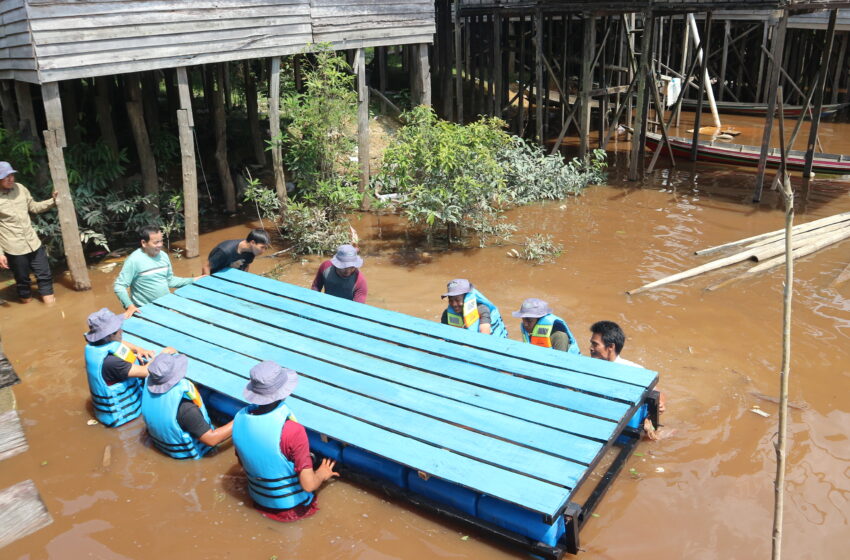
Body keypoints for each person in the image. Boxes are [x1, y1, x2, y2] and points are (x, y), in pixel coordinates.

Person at [233, 361, 338, 522]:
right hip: (293, 510)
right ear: (285, 392)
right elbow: (308, 485)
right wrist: (322, 474)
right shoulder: (293, 430)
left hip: (258, 502)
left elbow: (243, 462)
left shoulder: (239, 420)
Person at [83, 307, 176, 427]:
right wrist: (164, 354)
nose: (121, 331)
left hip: (103, 411)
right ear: (109, 335)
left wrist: (139, 349)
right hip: (122, 417)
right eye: (118, 330)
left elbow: (117, 343)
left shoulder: (95, 345)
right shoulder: (111, 362)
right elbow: (146, 371)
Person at [141, 353, 233, 459]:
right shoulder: (186, 409)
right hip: (188, 456)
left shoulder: (148, 390)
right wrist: (239, 419)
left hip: (164, 446)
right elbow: (211, 440)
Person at [114, 225, 203, 317]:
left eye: (161, 241)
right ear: (144, 243)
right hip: (145, 311)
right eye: (156, 242)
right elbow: (119, 286)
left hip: (167, 305)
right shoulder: (134, 260)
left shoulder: (163, 256)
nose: (160, 245)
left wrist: (193, 280)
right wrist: (129, 306)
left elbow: (170, 280)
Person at [0, 161, 58, 304]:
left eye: (12, 175)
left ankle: (51, 306)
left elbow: (34, 207)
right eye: (6, 176)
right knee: (23, 280)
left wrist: (53, 201)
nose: (11, 179)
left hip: (33, 242)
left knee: (44, 275)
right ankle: (26, 302)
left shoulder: (20, 188)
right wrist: (0, 253)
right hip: (14, 247)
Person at [589, 320, 666, 413]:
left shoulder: (633, 370)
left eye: (595, 344)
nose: (591, 348)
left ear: (611, 347)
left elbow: (657, 393)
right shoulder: (585, 368)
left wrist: (660, 404)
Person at [440, 278, 507, 337]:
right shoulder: (446, 314)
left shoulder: (482, 310)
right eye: (451, 300)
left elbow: (485, 336)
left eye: (457, 300)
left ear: (466, 298)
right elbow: (443, 335)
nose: (454, 304)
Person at [512, 298, 579, 354]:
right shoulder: (530, 332)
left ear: (540, 321)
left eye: (529, 321)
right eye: (524, 320)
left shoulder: (559, 337)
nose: (525, 324)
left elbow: (560, 364)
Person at [202, 228, 270, 275]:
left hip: (231, 275)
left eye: (265, 248)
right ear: (252, 243)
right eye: (262, 247)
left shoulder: (252, 251)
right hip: (216, 275)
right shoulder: (225, 251)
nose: (263, 251)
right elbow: (206, 266)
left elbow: (246, 265)